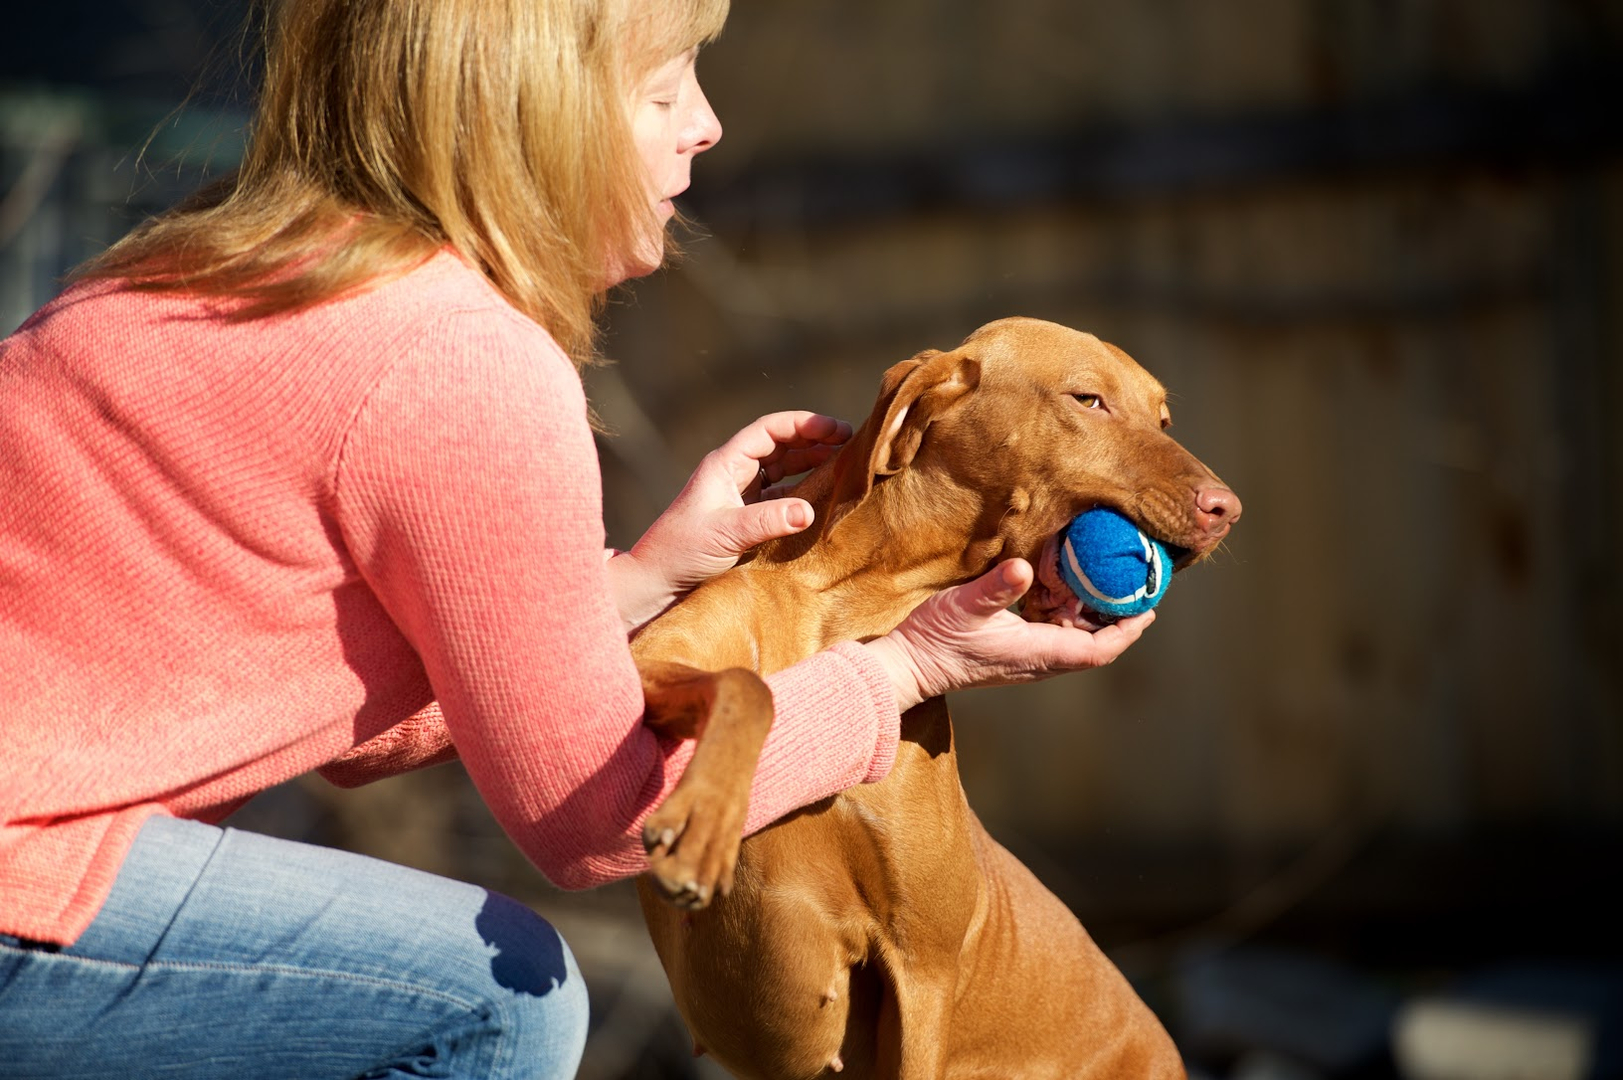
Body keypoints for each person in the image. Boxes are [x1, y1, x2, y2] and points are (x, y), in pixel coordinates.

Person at [0, 0, 1153, 1076]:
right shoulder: (459, 360)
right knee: (502, 994)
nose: (708, 125)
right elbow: (597, 821)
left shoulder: (160, 282)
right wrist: (909, 668)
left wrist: (633, 583)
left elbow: (331, 709)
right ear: (536, 115)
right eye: (664, 91)